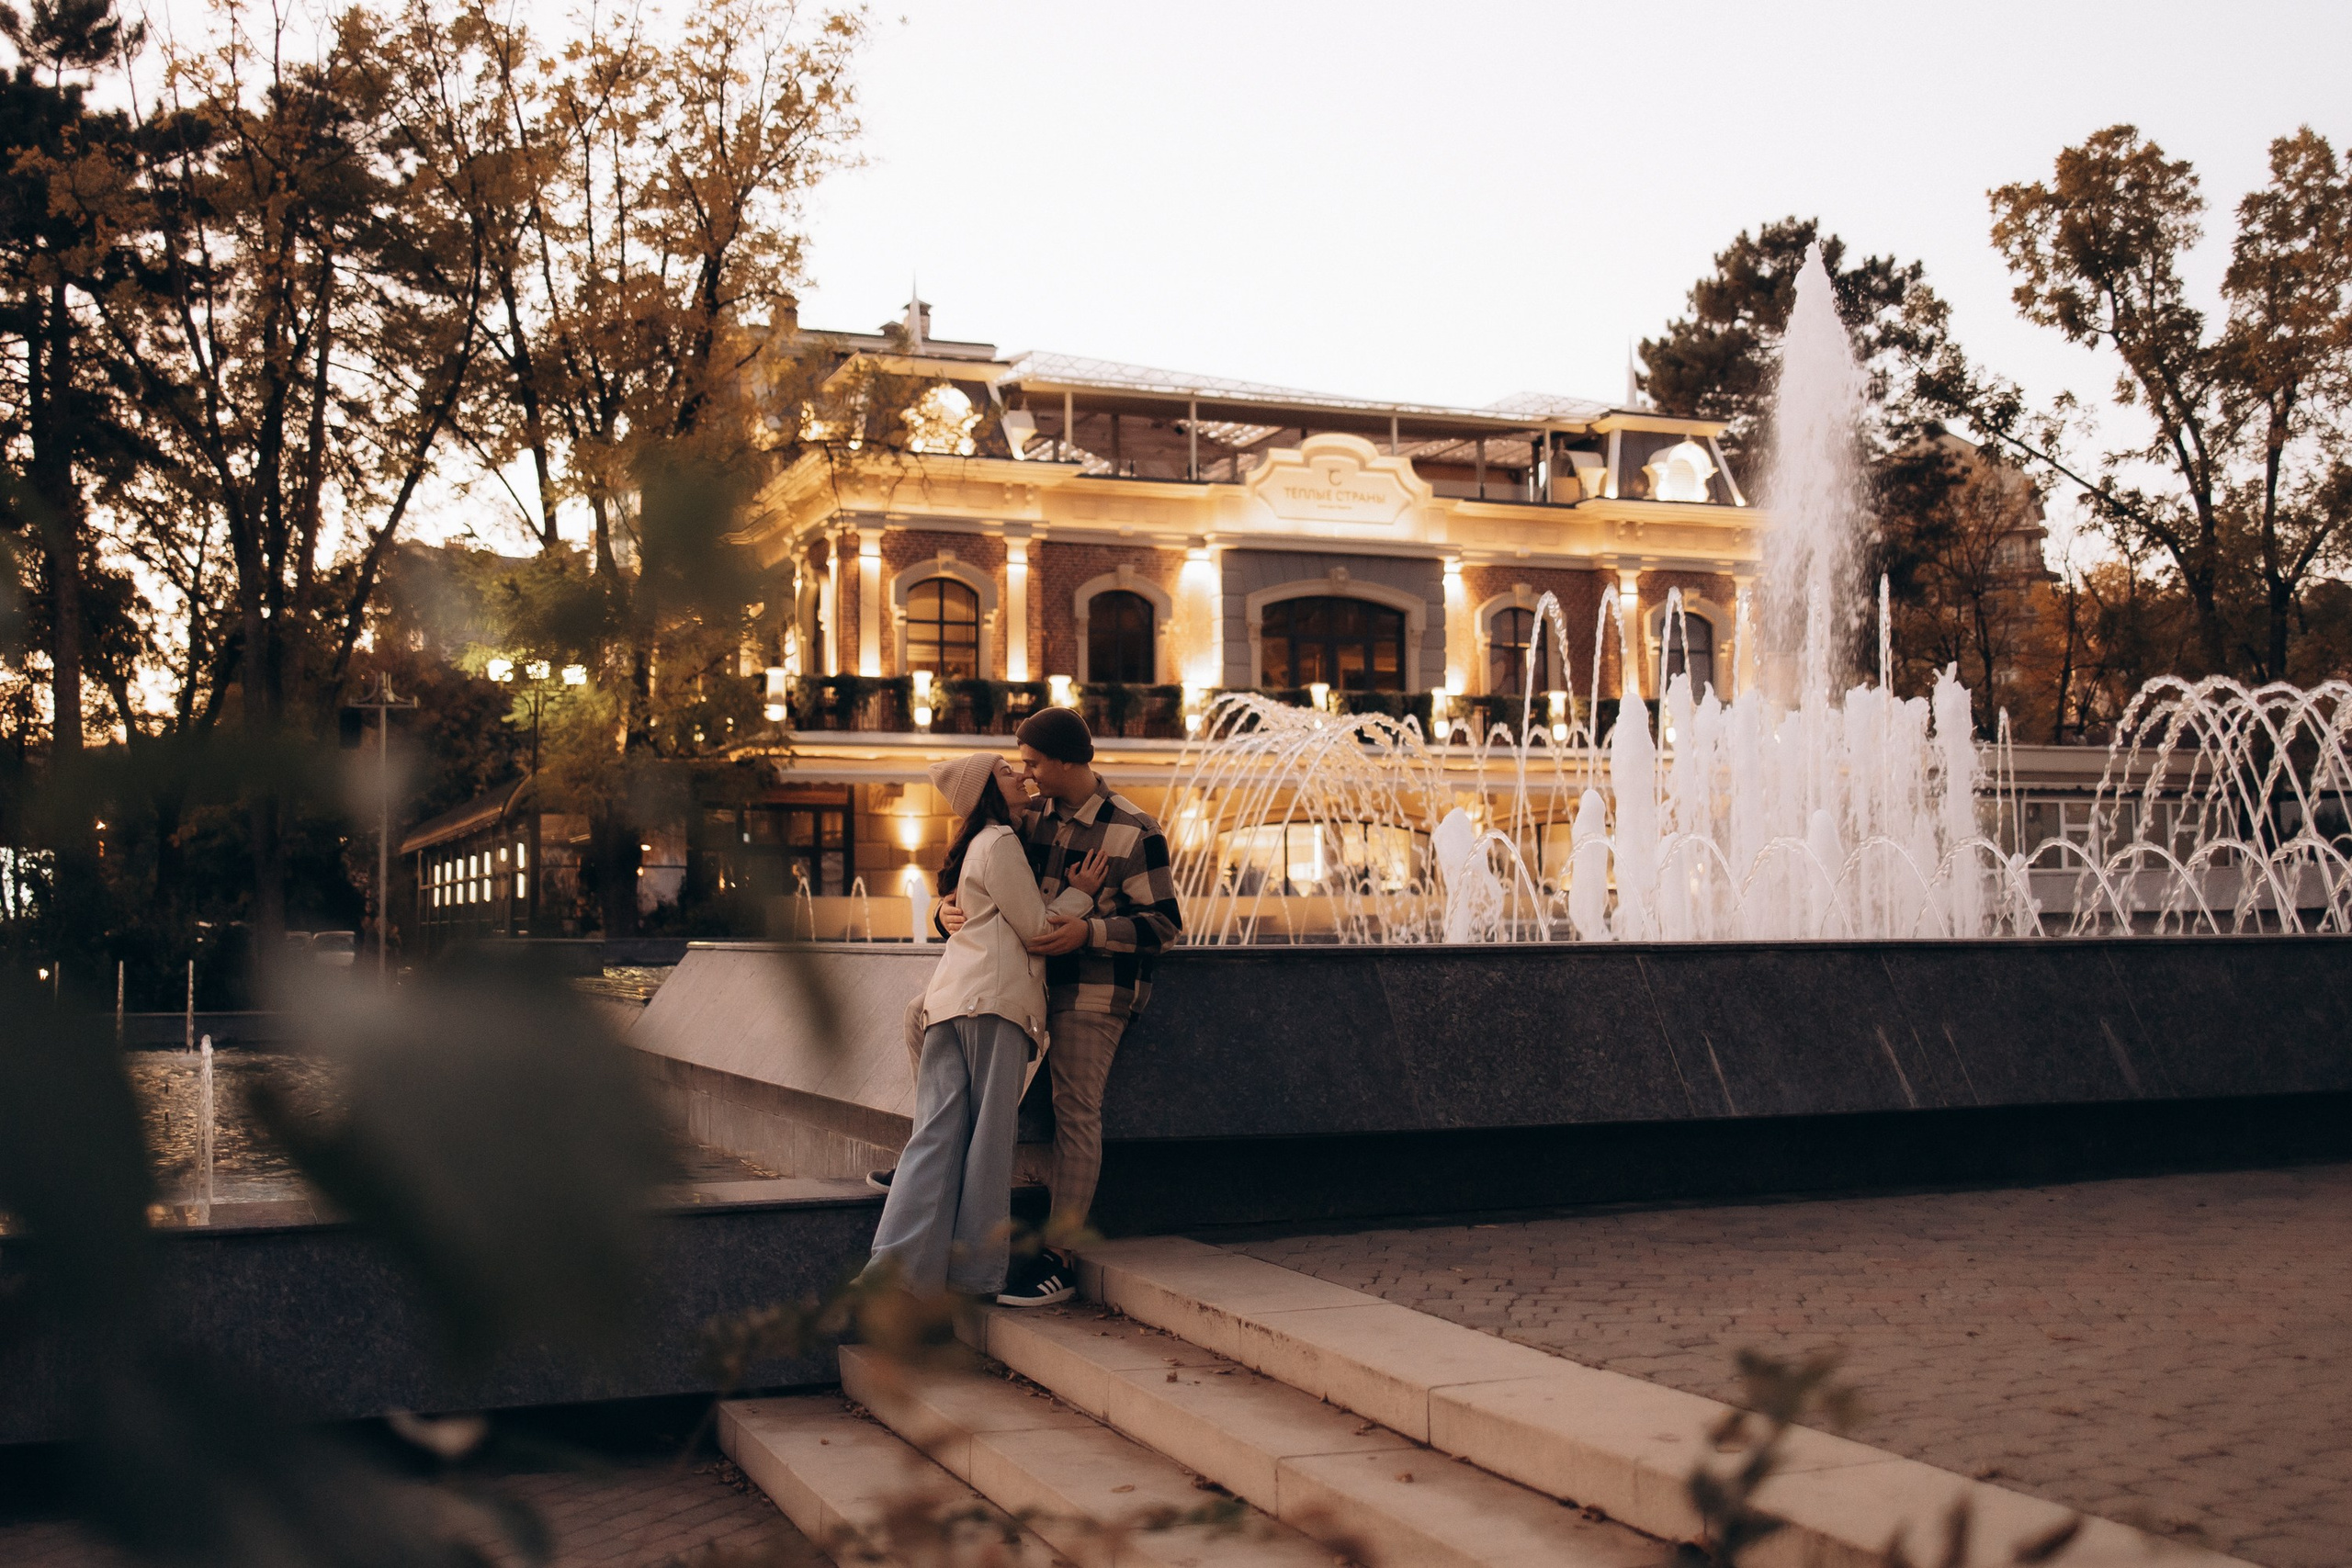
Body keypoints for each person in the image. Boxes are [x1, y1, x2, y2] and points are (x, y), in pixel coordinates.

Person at [939, 706, 1182, 1307]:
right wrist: (942, 912)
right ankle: (930, 1155)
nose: (1025, 774)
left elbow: (1163, 924)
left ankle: (1060, 1256)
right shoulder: (1024, 820)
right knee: (926, 1017)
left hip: (1092, 990)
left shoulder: (1135, 829)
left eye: (1033, 763)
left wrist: (1089, 932)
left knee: (1075, 1109)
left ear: (1067, 761)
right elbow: (975, 882)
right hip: (1021, 980)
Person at [861, 752, 1105, 1304]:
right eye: (1004, 771)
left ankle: (891, 1273)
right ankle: (973, 1277)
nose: (1018, 774)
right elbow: (1037, 930)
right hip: (992, 1006)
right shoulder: (999, 842)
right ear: (986, 793)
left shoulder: (978, 844)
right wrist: (1082, 895)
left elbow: (975, 916)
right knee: (989, 1144)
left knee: (934, 1138)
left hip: (949, 1004)